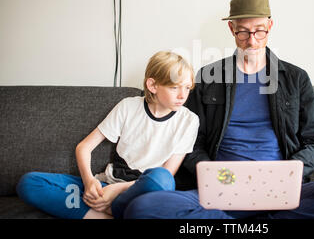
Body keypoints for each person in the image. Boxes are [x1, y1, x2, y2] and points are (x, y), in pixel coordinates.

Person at [122, 0, 314, 219]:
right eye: (243, 32)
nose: (251, 40)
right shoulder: (206, 77)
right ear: (231, 29)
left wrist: (286, 173)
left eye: (259, 31)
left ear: (270, 26)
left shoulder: (295, 78)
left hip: (282, 189)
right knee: (143, 207)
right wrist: (213, 175)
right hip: (222, 189)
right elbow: (189, 141)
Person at [16, 51, 199, 219]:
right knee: (30, 183)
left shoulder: (189, 120)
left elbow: (167, 174)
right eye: (175, 87)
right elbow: (84, 147)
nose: (183, 95)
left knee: (163, 179)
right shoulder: (128, 106)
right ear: (152, 85)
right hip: (107, 184)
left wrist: (116, 191)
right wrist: (89, 182)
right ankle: (106, 215)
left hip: (142, 192)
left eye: (187, 88)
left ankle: (111, 209)